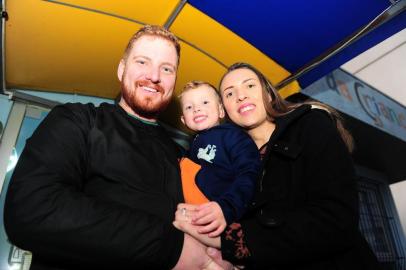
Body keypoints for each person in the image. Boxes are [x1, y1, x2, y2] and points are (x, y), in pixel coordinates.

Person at [3, 25, 230, 270]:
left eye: (166, 69)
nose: (154, 76)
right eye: (142, 62)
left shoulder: (181, 155)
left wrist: (218, 250)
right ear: (122, 70)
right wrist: (173, 248)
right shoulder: (78, 120)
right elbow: (33, 208)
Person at [174, 62, 382, 269]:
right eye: (229, 93)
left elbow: (337, 220)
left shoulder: (310, 125)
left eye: (249, 85)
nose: (241, 95)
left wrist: (232, 240)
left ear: (269, 93)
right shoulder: (231, 159)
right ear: (225, 109)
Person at [178, 81, 261, 237]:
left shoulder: (233, 136)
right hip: (196, 215)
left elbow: (250, 171)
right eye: (189, 107)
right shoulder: (191, 148)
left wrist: (228, 207)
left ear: (221, 111)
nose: (197, 108)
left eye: (205, 102)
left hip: (227, 214)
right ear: (184, 120)